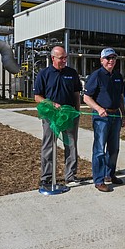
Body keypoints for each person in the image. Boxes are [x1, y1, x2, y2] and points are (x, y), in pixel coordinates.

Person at [33, 45, 84, 190]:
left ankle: (71, 176)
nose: (64, 61)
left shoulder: (72, 73)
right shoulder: (44, 74)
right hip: (51, 116)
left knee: (71, 145)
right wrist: (51, 104)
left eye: (65, 57)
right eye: (61, 58)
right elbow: (37, 97)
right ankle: (46, 178)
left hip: (69, 115)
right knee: (49, 145)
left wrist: (77, 112)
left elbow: (76, 94)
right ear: (53, 58)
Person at [83, 48, 125, 192]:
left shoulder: (118, 76)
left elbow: (120, 97)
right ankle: (99, 180)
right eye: (108, 58)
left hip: (115, 117)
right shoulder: (96, 76)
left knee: (114, 149)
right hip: (101, 118)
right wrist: (99, 109)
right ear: (101, 60)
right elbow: (86, 97)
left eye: (113, 58)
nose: (111, 61)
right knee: (100, 149)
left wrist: (123, 115)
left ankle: (110, 174)